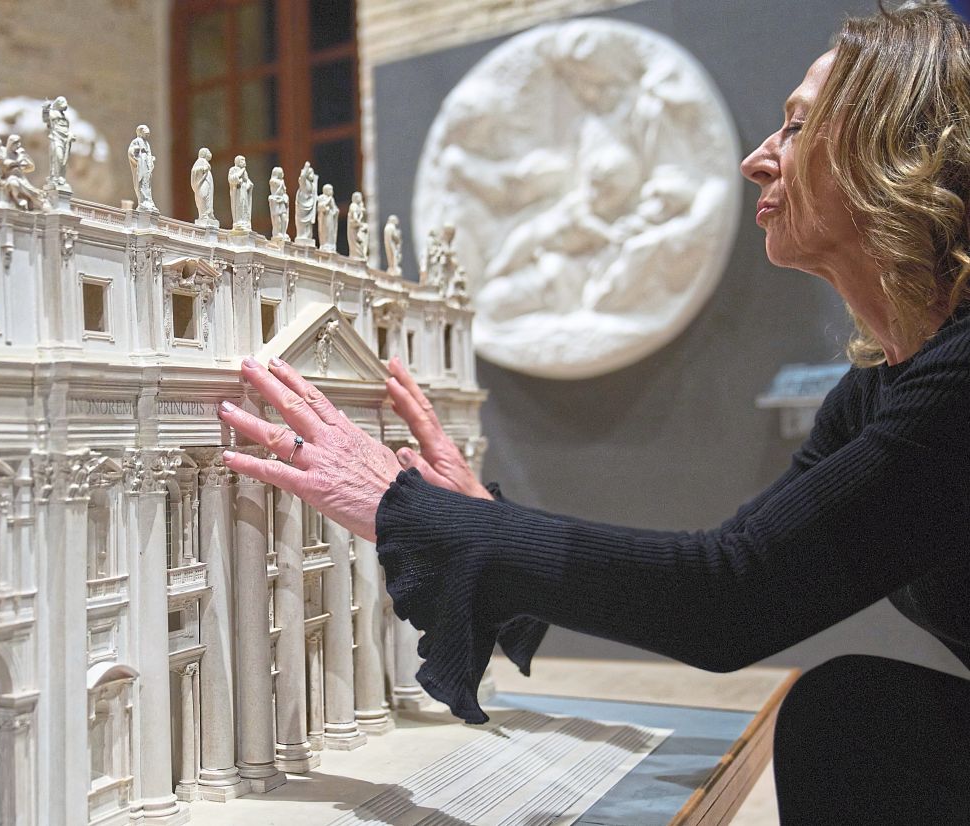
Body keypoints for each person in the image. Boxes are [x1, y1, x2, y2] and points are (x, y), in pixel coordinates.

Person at [219, 2, 970, 821]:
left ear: (896, 152)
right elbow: (737, 559)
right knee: (857, 712)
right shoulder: (882, 383)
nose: (757, 160)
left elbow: (733, 596)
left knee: (856, 716)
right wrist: (471, 518)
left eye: (794, 126)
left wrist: (409, 512)